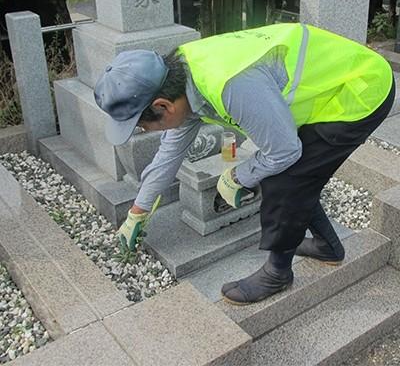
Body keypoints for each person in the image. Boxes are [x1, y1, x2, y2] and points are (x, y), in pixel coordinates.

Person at [94, 23, 395, 306]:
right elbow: (168, 156)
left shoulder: (229, 84)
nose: (147, 132)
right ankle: (327, 246)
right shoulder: (183, 80)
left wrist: (239, 176)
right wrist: (138, 211)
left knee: (285, 178)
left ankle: (278, 273)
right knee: (299, 173)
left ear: (162, 106)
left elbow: (284, 151)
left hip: (359, 89)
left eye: (143, 126)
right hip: (327, 86)